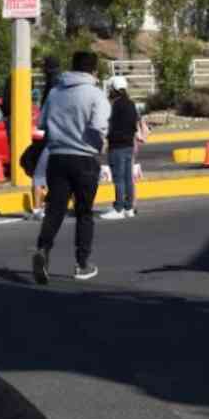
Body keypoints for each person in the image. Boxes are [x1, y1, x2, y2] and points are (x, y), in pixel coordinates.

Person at [31, 51, 110, 284]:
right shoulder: (96, 95)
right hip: (85, 160)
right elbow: (98, 126)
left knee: (55, 210)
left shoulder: (55, 92)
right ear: (93, 71)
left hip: (57, 158)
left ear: (72, 67)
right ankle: (82, 264)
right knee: (84, 213)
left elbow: (42, 124)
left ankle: (43, 250)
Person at [27, 56, 62, 221]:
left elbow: (44, 117)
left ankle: (37, 209)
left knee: (38, 175)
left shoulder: (51, 86)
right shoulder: (64, 84)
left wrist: (41, 126)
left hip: (51, 138)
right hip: (67, 138)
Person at [101, 76, 140, 220]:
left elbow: (108, 126)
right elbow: (134, 126)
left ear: (114, 89)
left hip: (116, 146)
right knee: (128, 178)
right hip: (128, 145)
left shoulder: (114, 105)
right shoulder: (131, 104)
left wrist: (105, 140)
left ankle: (118, 208)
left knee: (118, 179)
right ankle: (128, 207)